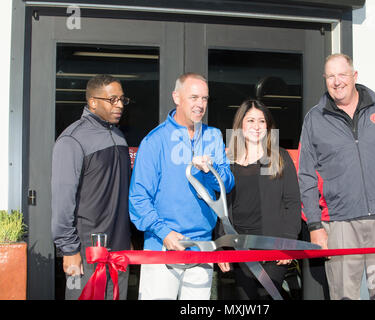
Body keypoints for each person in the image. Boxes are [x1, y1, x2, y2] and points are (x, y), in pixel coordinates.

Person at [298, 53, 375, 300]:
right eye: (330, 76)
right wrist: (314, 225)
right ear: (325, 80)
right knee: (344, 295)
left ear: (354, 76)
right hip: (339, 223)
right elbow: (306, 176)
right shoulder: (315, 119)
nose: (336, 81)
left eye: (342, 74)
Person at [129, 72, 235, 300]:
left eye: (205, 99)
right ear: (176, 97)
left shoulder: (213, 136)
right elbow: (138, 199)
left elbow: (226, 183)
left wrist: (210, 170)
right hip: (163, 247)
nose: (200, 104)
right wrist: (164, 232)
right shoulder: (154, 141)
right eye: (194, 97)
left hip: (202, 247)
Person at [51, 74, 132, 300]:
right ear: (93, 102)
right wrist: (69, 250)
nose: (119, 105)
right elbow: (62, 199)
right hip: (85, 253)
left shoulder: (118, 136)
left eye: (122, 100)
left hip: (119, 251)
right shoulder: (72, 140)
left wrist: (127, 238)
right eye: (112, 99)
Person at [218, 99, 302, 300]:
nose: (256, 126)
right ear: (240, 125)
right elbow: (222, 208)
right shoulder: (227, 162)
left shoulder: (278, 157)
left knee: (267, 297)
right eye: (250, 120)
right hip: (241, 249)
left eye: (262, 121)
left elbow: (292, 202)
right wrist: (222, 246)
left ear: (268, 126)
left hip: (273, 248)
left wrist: (289, 242)